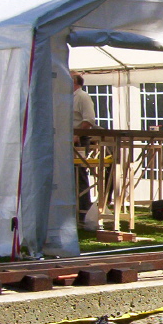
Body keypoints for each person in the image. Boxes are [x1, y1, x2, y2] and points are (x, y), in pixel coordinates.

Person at [72, 73, 96, 223]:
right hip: (67, 139)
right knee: (69, 174)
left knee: (79, 173)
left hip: (79, 140)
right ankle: (73, 209)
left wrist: (77, 135)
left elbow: (89, 120)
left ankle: (84, 211)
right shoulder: (67, 97)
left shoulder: (82, 97)